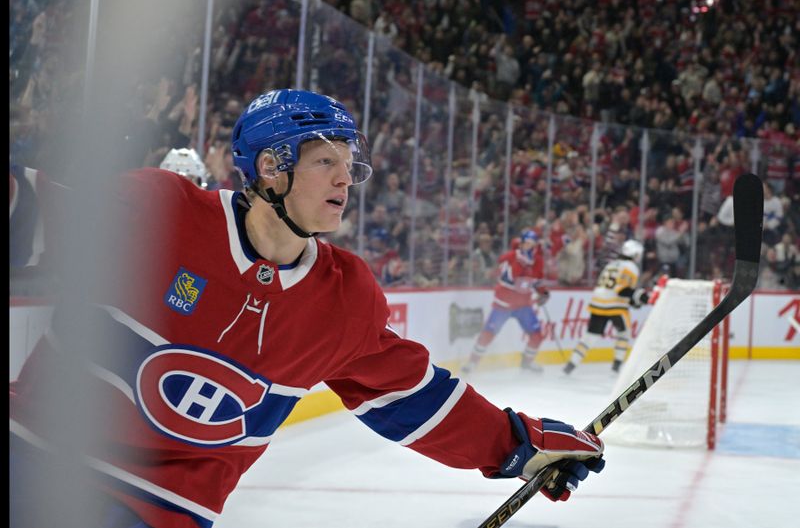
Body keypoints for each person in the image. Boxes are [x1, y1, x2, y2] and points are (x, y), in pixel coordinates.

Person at [10, 90, 604, 528]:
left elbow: (417, 398)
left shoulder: (342, 298)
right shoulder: (162, 211)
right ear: (270, 167)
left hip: (157, 511)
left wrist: (518, 445)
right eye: (326, 161)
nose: (346, 178)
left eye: (350, 164)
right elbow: (31, 213)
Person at [461, 230, 551, 375]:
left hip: (524, 305)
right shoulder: (509, 258)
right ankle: (472, 363)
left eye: (532, 244)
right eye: (526, 243)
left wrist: (543, 292)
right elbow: (509, 279)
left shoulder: (537, 261)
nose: (529, 247)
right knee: (487, 334)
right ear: (521, 243)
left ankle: (527, 364)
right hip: (503, 304)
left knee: (536, 335)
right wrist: (522, 265)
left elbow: (537, 280)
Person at [563, 239, 649, 375]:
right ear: (634, 254)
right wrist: (641, 296)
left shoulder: (611, 264)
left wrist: (635, 299)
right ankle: (616, 368)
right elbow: (622, 290)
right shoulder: (631, 267)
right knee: (624, 335)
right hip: (614, 305)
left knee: (589, 337)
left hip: (597, 302)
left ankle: (570, 366)